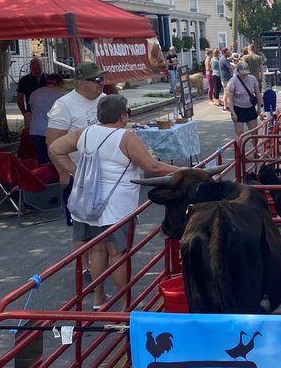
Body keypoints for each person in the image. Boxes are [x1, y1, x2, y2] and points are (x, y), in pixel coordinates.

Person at [48, 94, 179, 310]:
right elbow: (152, 167)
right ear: (122, 116)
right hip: (116, 206)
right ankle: (128, 303)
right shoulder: (125, 137)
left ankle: (99, 299)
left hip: (88, 203)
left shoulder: (85, 132)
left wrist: (76, 172)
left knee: (97, 251)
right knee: (118, 254)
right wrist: (184, 170)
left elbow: (55, 149)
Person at [47, 60, 108, 246]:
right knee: (82, 227)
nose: (101, 83)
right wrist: (64, 171)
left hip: (105, 172)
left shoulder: (105, 99)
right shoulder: (64, 105)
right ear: (81, 82)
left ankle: (101, 262)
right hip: (79, 174)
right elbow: (51, 142)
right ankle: (85, 268)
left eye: (102, 78)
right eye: (96, 79)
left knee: (105, 223)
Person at [225, 60, 263, 147]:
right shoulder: (233, 81)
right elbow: (229, 98)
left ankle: (255, 150)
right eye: (243, 73)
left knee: (254, 132)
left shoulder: (252, 79)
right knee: (239, 132)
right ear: (238, 71)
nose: (245, 75)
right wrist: (232, 112)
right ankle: (239, 153)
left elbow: (258, 93)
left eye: (246, 73)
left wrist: (260, 107)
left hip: (250, 108)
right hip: (238, 108)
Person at [28, 74, 63, 163]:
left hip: (35, 129)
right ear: (58, 84)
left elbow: (32, 110)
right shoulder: (59, 96)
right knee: (54, 157)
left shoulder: (34, 93)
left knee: (41, 157)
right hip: (51, 130)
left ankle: (43, 175)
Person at [16, 57, 46, 126]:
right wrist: (25, 113)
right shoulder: (24, 80)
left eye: (39, 69)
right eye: (34, 69)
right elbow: (19, 98)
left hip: (48, 113)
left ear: (43, 67)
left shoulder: (49, 79)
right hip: (31, 113)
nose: (37, 71)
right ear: (30, 68)